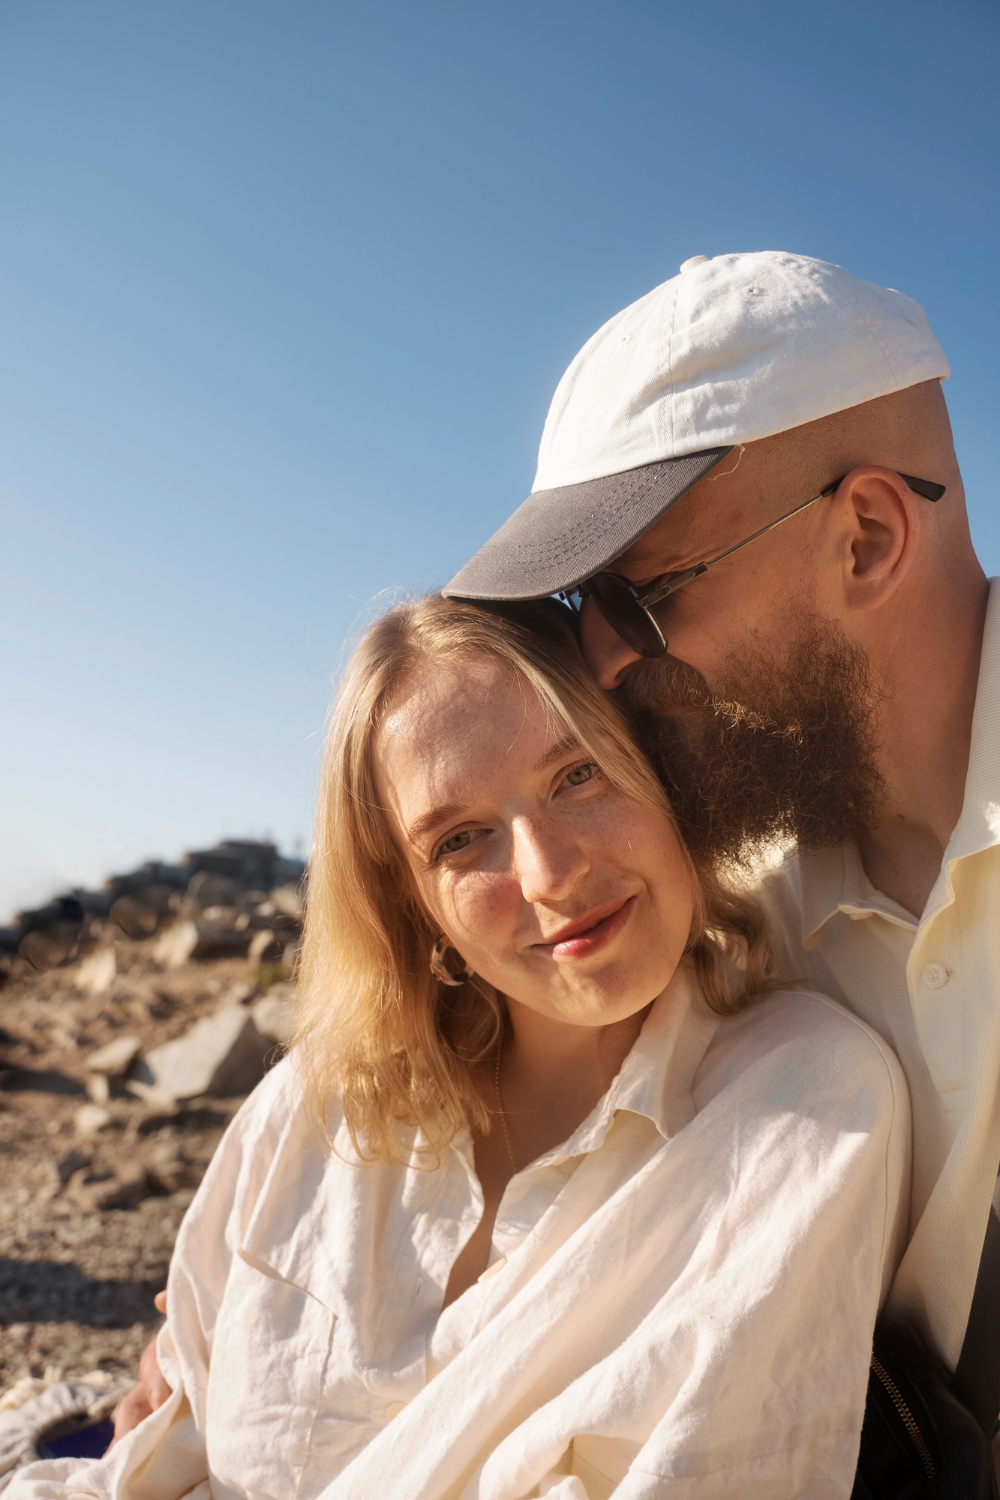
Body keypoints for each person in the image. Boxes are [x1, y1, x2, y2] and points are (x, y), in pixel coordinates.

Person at [11, 594, 909, 1499]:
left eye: (579, 776)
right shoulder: (315, 1105)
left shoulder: (805, 1105)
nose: (551, 874)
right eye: (462, 839)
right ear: (416, 910)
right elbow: (167, 1443)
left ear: (665, 778)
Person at [444, 251, 998, 1415]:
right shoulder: (712, 888)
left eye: (642, 594)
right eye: (576, 608)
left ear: (865, 540)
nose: (598, 661)